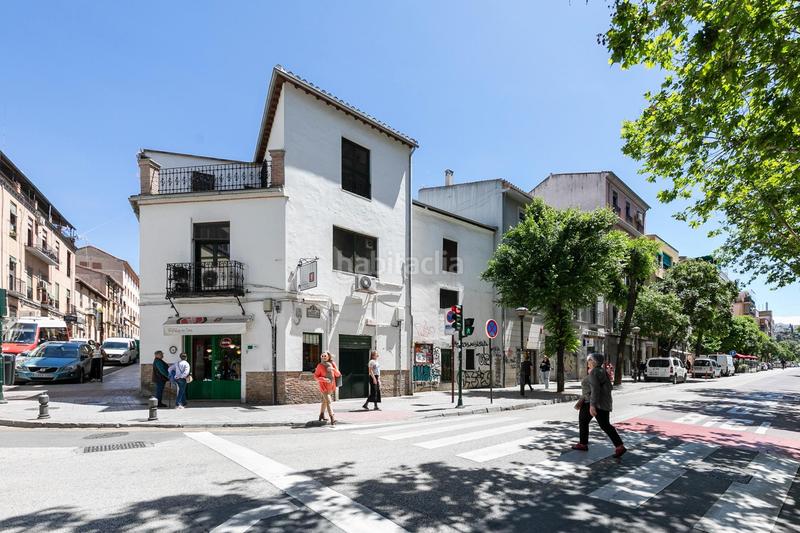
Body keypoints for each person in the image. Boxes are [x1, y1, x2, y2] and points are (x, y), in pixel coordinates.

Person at [572, 353, 626, 458]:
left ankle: (584, 444)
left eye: (589, 360)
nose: (588, 362)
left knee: (596, 423)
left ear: (594, 361)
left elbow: (595, 389)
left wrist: (592, 405)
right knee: (596, 423)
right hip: (599, 402)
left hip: (594, 403)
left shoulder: (594, 372)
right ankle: (619, 446)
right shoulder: (602, 371)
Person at [314, 352, 341, 425]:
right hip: (324, 386)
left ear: (328, 356)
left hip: (331, 386)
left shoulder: (332, 364)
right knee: (329, 401)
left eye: (325, 356)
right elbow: (316, 377)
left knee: (325, 401)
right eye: (322, 356)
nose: (323, 357)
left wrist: (333, 369)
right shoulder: (320, 365)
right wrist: (324, 379)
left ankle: (321, 415)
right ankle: (332, 418)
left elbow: (338, 374)